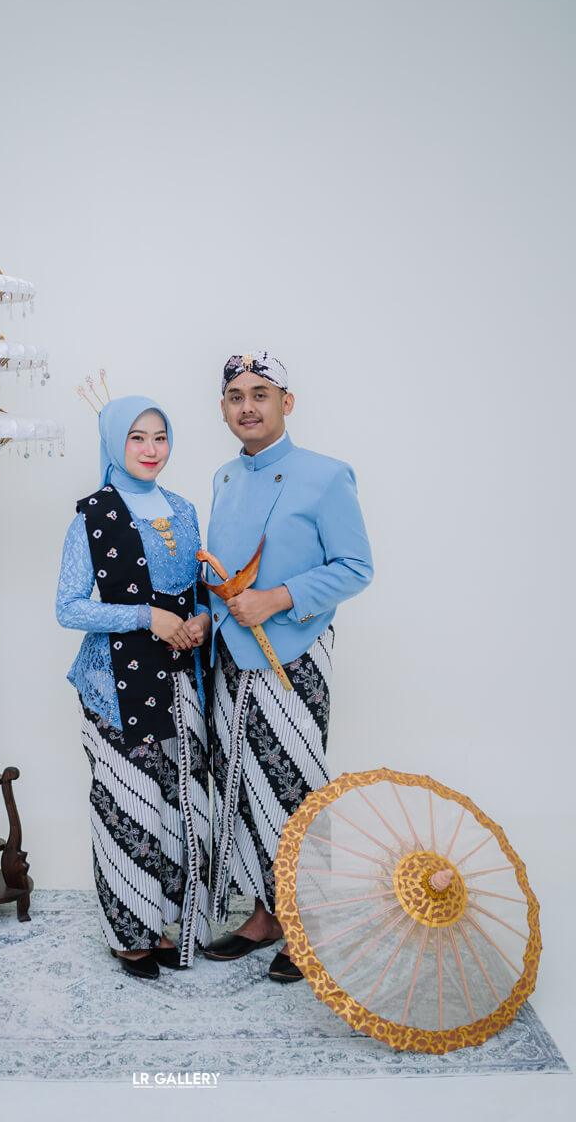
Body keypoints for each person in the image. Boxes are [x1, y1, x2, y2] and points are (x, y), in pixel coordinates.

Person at [201, 353, 373, 981]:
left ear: (286, 403)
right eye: (235, 396)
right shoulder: (224, 478)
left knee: (294, 787)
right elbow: (220, 572)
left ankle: (306, 924)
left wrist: (276, 598)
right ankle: (264, 915)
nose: (247, 406)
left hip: (291, 659)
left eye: (261, 394)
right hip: (228, 660)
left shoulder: (326, 476)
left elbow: (355, 568)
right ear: (224, 409)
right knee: (240, 787)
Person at [56, 395, 213, 980]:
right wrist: (147, 617)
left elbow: (199, 587)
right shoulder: (92, 515)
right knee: (127, 803)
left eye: (160, 437)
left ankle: (165, 923)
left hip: (180, 680)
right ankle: (129, 934)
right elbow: (69, 607)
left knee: (176, 802)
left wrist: (202, 619)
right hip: (113, 683)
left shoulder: (184, 509)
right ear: (114, 442)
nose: (151, 450)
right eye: (137, 438)